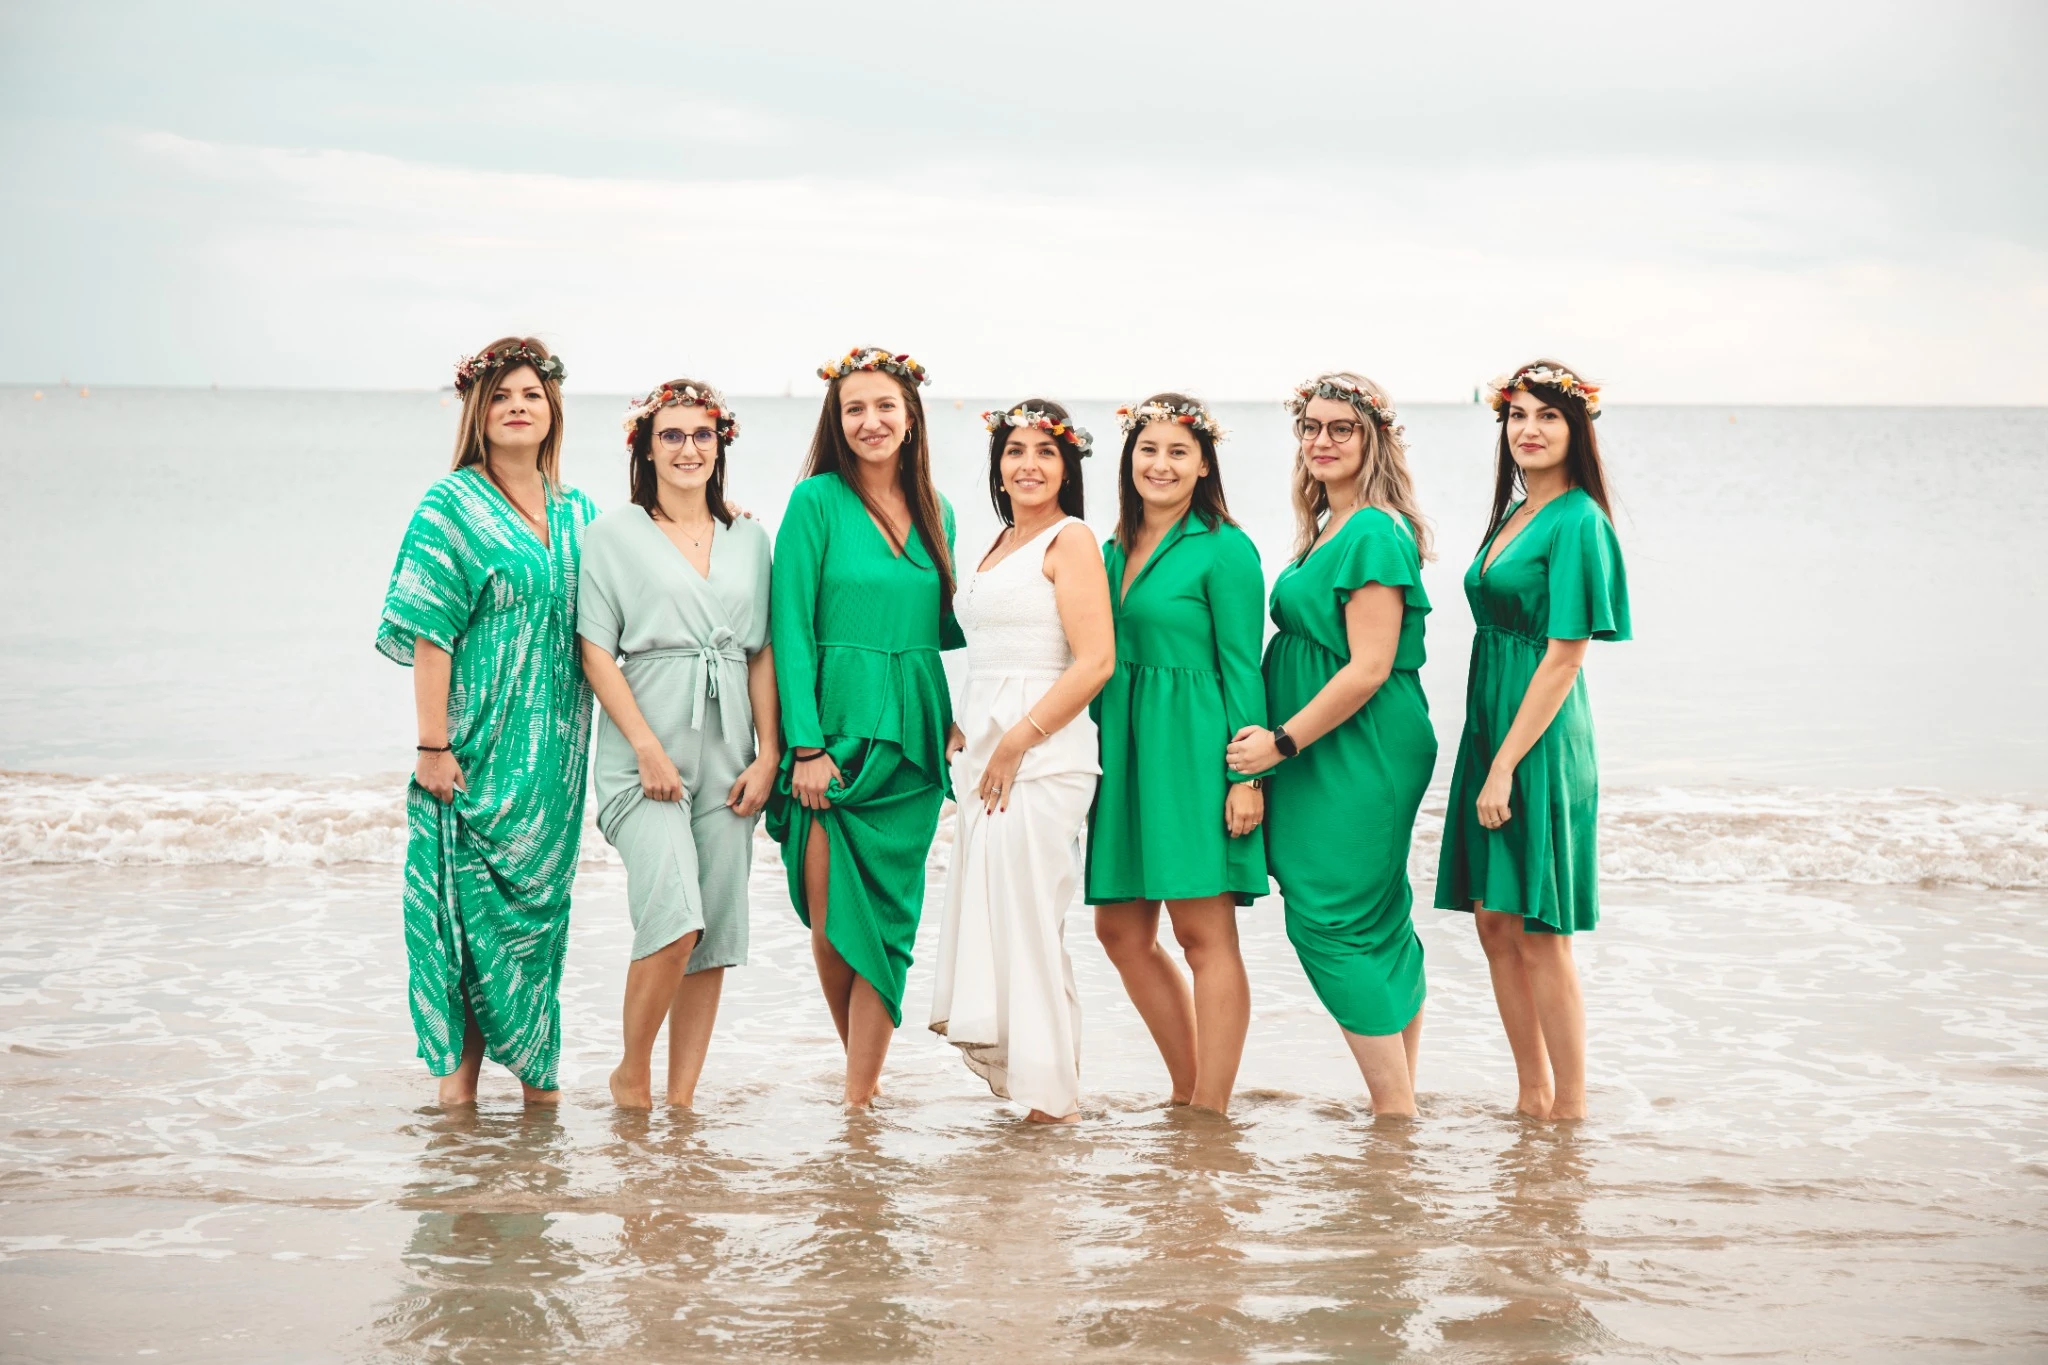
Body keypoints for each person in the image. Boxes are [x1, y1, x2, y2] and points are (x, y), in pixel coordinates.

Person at [375, 337, 599, 1106]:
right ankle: (457, 1109)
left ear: (551, 409)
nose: (516, 407)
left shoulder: (581, 512)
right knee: (463, 929)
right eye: (501, 395)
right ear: (478, 410)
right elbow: (431, 633)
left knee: (536, 932)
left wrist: (720, 512)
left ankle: (539, 1102)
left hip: (553, 772)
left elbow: (637, 585)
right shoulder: (450, 505)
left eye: (530, 394)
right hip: (471, 755)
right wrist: (431, 745)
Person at [1227, 372, 1436, 1118]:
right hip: (1334, 744)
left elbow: (1371, 666)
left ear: (1373, 437)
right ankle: (1400, 1105)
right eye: (1311, 426)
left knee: (1330, 912)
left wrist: (1281, 743)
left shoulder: (1375, 529)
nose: (1321, 440)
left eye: (1340, 428)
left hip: (1361, 745)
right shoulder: (1331, 526)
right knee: (1373, 915)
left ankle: (1393, 1109)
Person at [768, 346, 964, 1108]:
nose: (871, 421)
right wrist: (805, 745)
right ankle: (865, 1079)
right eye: (855, 408)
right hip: (832, 733)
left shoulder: (939, 510)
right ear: (836, 419)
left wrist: (952, 722)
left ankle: (860, 1096)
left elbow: (942, 629)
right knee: (829, 920)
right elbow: (789, 627)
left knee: (888, 922)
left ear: (911, 416)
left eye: (885, 406)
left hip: (911, 743)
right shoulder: (815, 502)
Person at [1435, 360, 1631, 1120]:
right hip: (1492, 721)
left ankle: (1572, 1107)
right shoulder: (1513, 513)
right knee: (1493, 920)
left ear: (1576, 427)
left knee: (1541, 928)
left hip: (1538, 737)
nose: (1531, 429)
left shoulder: (1580, 519)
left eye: (1549, 415)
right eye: (1518, 415)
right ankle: (1531, 1094)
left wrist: (1505, 766)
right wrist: (1488, 754)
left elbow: (1565, 655)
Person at [578, 380, 779, 1110]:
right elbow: (596, 650)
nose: (688, 448)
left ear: (720, 442)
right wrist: (645, 747)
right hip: (645, 751)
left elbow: (761, 652)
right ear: (645, 445)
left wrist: (770, 754)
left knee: (713, 931)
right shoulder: (611, 534)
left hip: (731, 754)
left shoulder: (752, 538)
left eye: (702, 434)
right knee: (674, 916)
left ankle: (683, 1100)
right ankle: (632, 1073)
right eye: (671, 435)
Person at [929, 400, 1115, 1123]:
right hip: (985, 755)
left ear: (1068, 465)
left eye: (1045, 450)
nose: (1029, 464)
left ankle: (1053, 1100)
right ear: (997, 464)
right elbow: (987, 652)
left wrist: (1015, 739)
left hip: (1042, 754)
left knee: (1031, 917)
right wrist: (961, 724)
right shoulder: (999, 539)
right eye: (1015, 450)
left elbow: (1095, 660)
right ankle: (1044, 1083)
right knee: (1008, 917)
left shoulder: (1072, 540)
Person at [1087, 393, 1268, 1114]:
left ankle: (1211, 1107)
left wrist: (1245, 777)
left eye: (1177, 452)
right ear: (1129, 458)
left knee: (1202, 930)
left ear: (1203, 465)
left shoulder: (1225, 547)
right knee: (1120, 928)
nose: (1159, 464)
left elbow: (1243, 666)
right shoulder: (1105, 549)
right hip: (1122, 752)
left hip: (1193, 750)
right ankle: (1188, 1083)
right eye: (1148, 449)